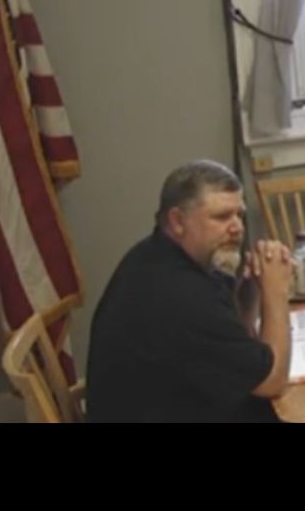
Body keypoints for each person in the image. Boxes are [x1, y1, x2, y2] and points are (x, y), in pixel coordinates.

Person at [86, 160, 294, 422]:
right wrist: (276, 294)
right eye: (221, 217)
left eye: (238, 215)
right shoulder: (181, 295)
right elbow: (272, 382)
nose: (238, 228)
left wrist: (254, 285)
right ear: (177, 221)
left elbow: (234, 330)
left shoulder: (156, 253)